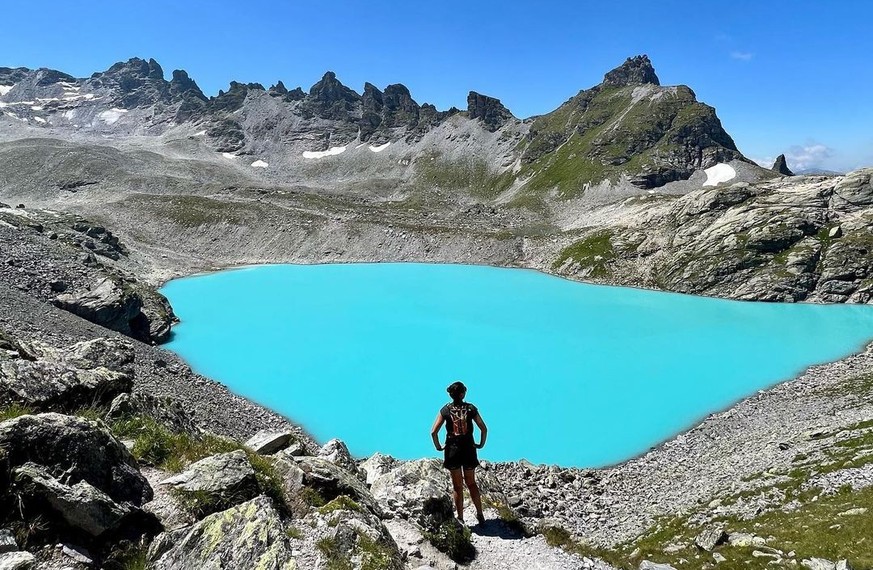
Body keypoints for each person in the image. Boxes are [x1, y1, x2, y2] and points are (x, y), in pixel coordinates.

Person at [430, 380, 488, 525]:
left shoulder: (445, 410)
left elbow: (433, 432)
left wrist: (439, 446)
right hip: (469, 448)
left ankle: (461, 518)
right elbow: (483, 428)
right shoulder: (471, 409)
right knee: (471, 483)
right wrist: (480, 443)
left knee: (457, 486)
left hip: (452, 449)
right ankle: (480, 514)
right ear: (462, 394)